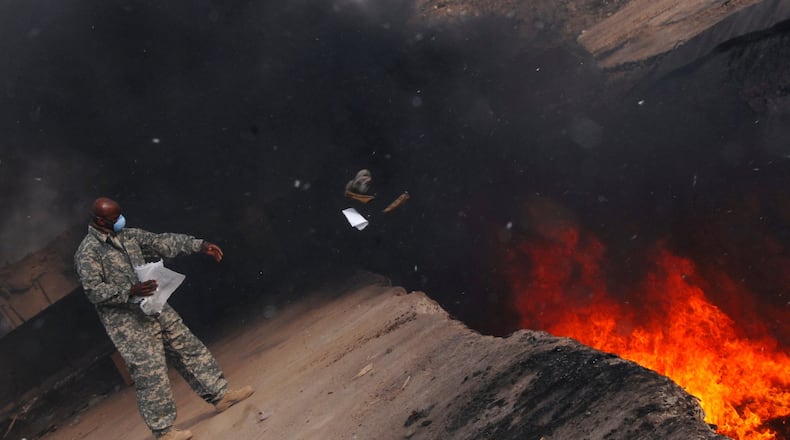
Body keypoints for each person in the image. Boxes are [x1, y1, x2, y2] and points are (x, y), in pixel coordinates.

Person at [73, 197, 254, 440]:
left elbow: (160, 242)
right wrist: (129, 291)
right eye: (115, 218)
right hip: (128, 324)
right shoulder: (88, 252)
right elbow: (93, 291)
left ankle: (220, 395)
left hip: (156, 307)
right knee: (151, 374)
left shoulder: (128, 236)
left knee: (188, 348)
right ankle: (164, 431)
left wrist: (199, 245)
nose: (120, 221)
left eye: (120, 215)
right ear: (99, 221)